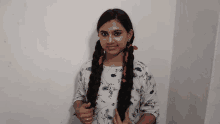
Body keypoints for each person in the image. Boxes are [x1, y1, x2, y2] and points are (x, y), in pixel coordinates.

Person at [73, 8, 159, 124]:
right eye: (104, 34)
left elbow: (151, 110)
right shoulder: (87, 69)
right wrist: (79, 109)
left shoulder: (141, 72)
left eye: (117, 33)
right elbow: (79, 97)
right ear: (98, 35)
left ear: (129, 35)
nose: (110, 40)